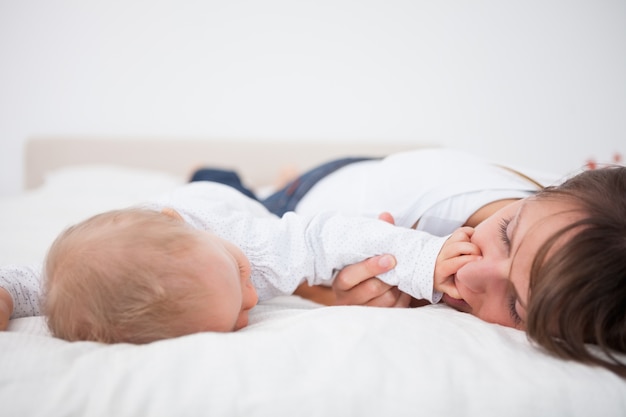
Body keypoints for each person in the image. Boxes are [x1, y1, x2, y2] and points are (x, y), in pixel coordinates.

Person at [191, 148, 626, 377]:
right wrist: (328, 292)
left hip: (379, 167)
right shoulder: (409, 207)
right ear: (543, 193)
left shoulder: (564, 228)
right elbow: (290, 254)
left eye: (515, 306)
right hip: (314, 196)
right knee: (237, 206)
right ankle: (222, 174)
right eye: (507, 233)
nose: (471, 273)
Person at [0, 181, 479, 343]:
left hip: (237, 201)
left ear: (183, 226)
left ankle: (265, 179)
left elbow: (328, 234)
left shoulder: (248, 241)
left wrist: (425, 256)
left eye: (241, 275)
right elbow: (30, 285)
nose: (253, 296)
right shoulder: (93, 277)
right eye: (239, 316)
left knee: (247, 188)